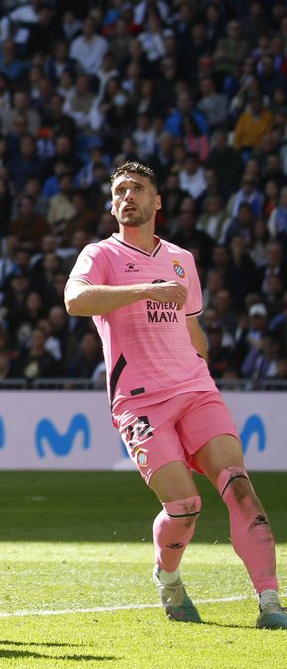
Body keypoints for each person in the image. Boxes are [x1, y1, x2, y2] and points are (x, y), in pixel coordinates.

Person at [64, 160, 286, 629]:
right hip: (140, 401)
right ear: (112, 205)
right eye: (120, 190)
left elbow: (190, 327)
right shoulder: (100, 255)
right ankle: (168, 578)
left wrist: (204, 369)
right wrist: (146, 290)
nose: (127, 196)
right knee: (185, 508)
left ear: (157, 200)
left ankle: (270, 602)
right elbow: (74, 300)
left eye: (137, 188)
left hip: (195, 390)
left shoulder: (182, 259)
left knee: (238, 484)